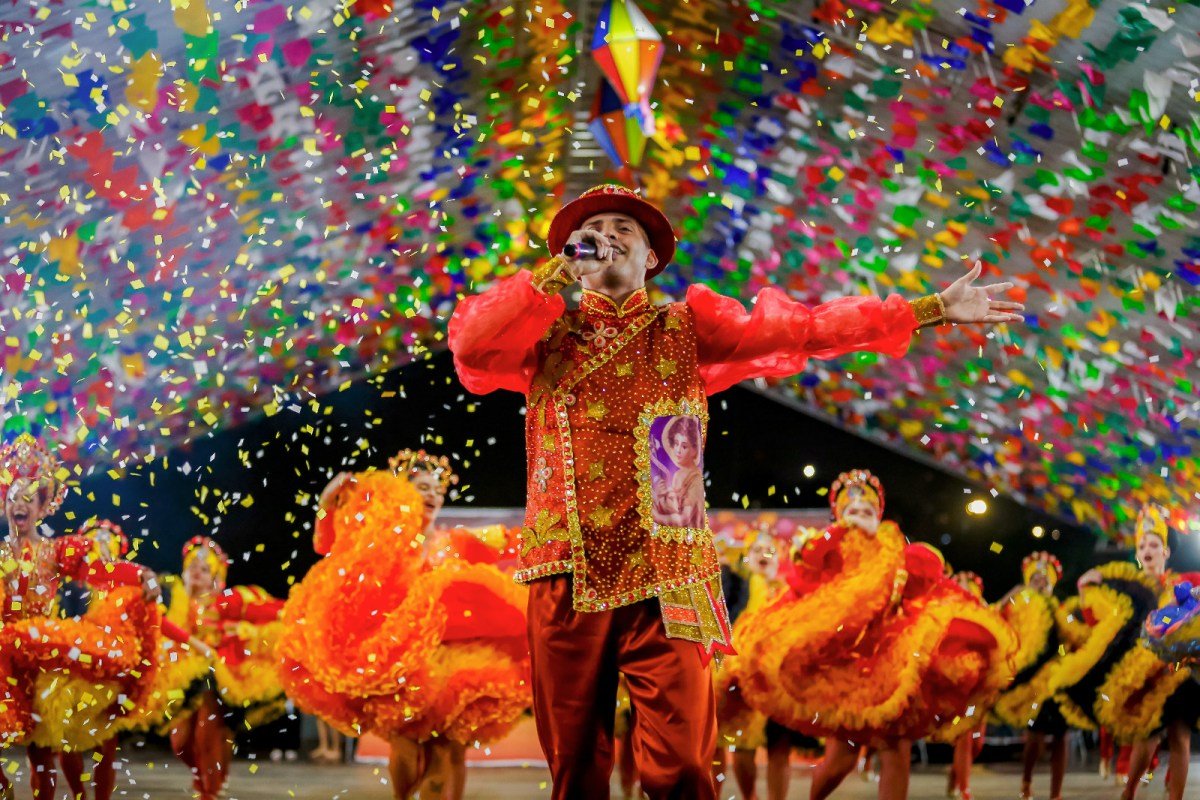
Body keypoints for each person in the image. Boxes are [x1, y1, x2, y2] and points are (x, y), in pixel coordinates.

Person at [448, 183, 1023, 800]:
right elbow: (472, 346)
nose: (609, 237)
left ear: (651, 260)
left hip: (669, 571)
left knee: (687, 770)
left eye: (626, 230)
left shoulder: (687, 328)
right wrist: (552, 274)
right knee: (574, 768)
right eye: (596, 228)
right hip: (566, 566)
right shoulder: (542, 335)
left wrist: (925, 308)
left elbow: (804, 330)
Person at [733, 470, 1017, 800]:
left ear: (879, 516)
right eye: (851, 510)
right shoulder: (825, 550)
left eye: (867, 510)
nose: (859, 514)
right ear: (838, 515)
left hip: (890, 665)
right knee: (842, 756)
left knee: (896, 749)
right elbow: (801, 590)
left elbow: (932, 589)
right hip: (844, 671)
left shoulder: (897, 554)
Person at [278, 449, 530, 800]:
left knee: (449, 749)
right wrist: (327, 501)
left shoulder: (455, 542)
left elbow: (514, 542)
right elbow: (327, 545)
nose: (430, 494)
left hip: (450, 663)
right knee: (406, 747)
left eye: (436, 490)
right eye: (421, 487)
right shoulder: (382, 544)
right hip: (400, 665)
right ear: (401, 493)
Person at [0, 434, 160, 800]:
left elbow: (103, 570)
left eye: (29, 498)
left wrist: (141, 576)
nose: (19, 504)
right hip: (1, 660)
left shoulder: (56, 552)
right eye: (13, 497)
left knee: (41, 756)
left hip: (37, 657)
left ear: (41, 509)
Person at [1068, 505, 1199, 800]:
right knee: (1148, 736)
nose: (1147, 550)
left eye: (1154, 544)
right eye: (1142, 546)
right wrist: (1086, 588)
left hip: (1179, 672)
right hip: (1143, 673)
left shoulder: (1185, 582)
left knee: (1180, 736)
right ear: (1138, 555)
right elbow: (1098, 622)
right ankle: (1129, 792)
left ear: (1165, 552)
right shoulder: (1127, 585)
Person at [161, 536, 286, 800]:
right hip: (179, 678)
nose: (197, 571)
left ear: (216, 578)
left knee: (210, 735)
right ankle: (204, 776)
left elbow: (267, 610)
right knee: (180, 743)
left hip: (217, 679)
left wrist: (300, 610)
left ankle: (212, 789)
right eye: (192, 566)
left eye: (205, 569)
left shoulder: (225, 601)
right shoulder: (174, 602)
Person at [990, 551, 1073, 800]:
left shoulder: (1059, 606)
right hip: (1030, 678)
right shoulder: (1018, 606)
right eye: (1034, 577)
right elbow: (994, 619)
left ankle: (1055, 794)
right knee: (1035, 737)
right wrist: (1009, 598)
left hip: (1057, 676)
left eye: (1043, 577)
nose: (1039, 580)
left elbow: (1071, 635)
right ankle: (1026, 781)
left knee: (1061, 735)